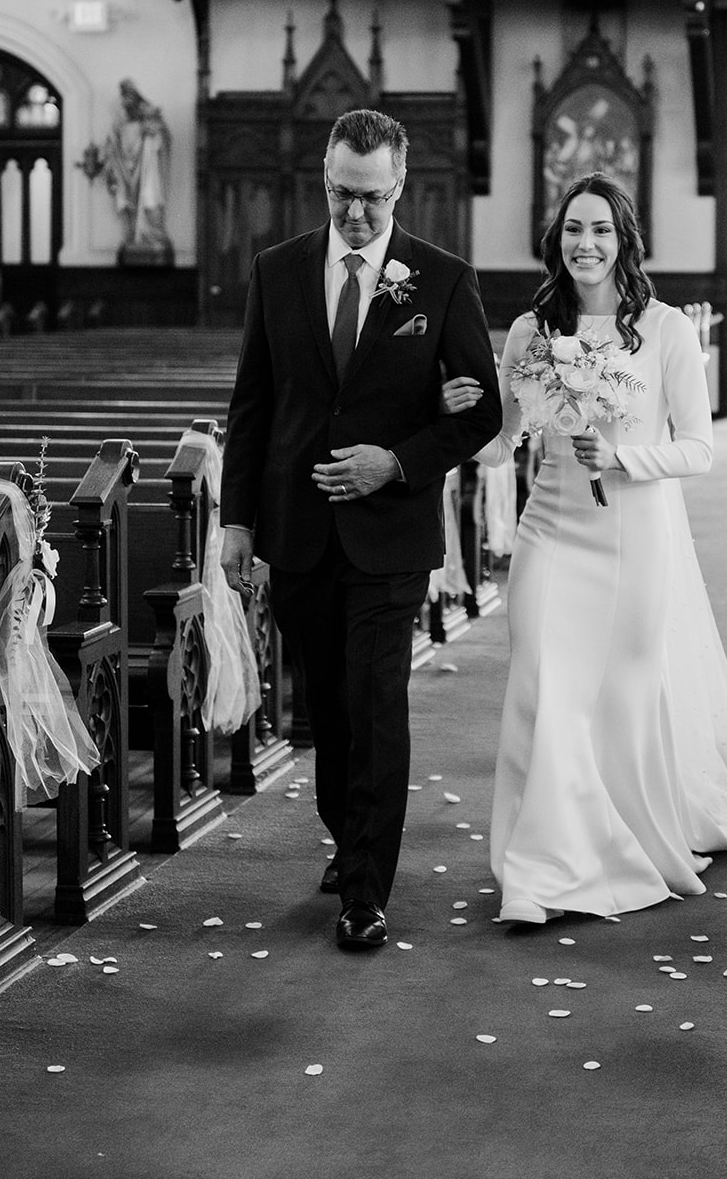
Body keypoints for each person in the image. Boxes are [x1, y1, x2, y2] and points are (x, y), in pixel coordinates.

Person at [443, 172, 727, 924]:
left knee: (620, 699)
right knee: (540, 684)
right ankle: (539, 869)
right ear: (555, 240)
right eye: (572, 229)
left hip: (634, 537)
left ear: (624, 240)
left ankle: (623, 840)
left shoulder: (665, 329)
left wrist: (623, 458)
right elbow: (501, 444)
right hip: (550, 529)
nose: (585, 243)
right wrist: (455, 418)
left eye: (599, 229)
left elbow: (699, 448)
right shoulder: (531, 331)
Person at [219, 109, 502, 951]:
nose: (354, 212)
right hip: (299, 530)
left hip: (389, 534)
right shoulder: (277, 270)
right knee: (329, 711)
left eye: (371, 198)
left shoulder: (441, 280)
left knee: (376, 703)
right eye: (341, 193)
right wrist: (236, 521)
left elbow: (479, 413)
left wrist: (398, 461)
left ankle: (366, 891)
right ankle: (349, 840)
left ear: (399, 186)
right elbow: (253, 403)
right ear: (325, 178)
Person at [100, 79, 173, 262]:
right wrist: (112, 158)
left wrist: (154, 133)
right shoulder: (121, 125)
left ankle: (154, 238)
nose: (127, 103)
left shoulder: (151, 120)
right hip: (128, 174)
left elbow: (163, 140)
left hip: (149, 171)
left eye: (130, 97)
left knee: (150, 202)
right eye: (124, 98)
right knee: (131, 206)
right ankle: (135, 238)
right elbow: (113, 146)